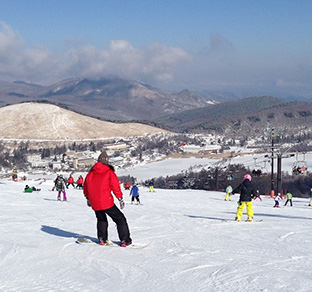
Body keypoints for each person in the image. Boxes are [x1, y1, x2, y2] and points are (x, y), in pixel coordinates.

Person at [83, 151, 132, 247]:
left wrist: (88, 198)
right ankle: (125, 240)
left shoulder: (90, 174)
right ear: (107, 162)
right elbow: (115, 186)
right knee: (120, 219)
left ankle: (102, 239)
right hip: (106, 201)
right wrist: (120, 198)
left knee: (101, 219)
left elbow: (86, 188)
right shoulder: (109, 172)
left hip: (94, 202)